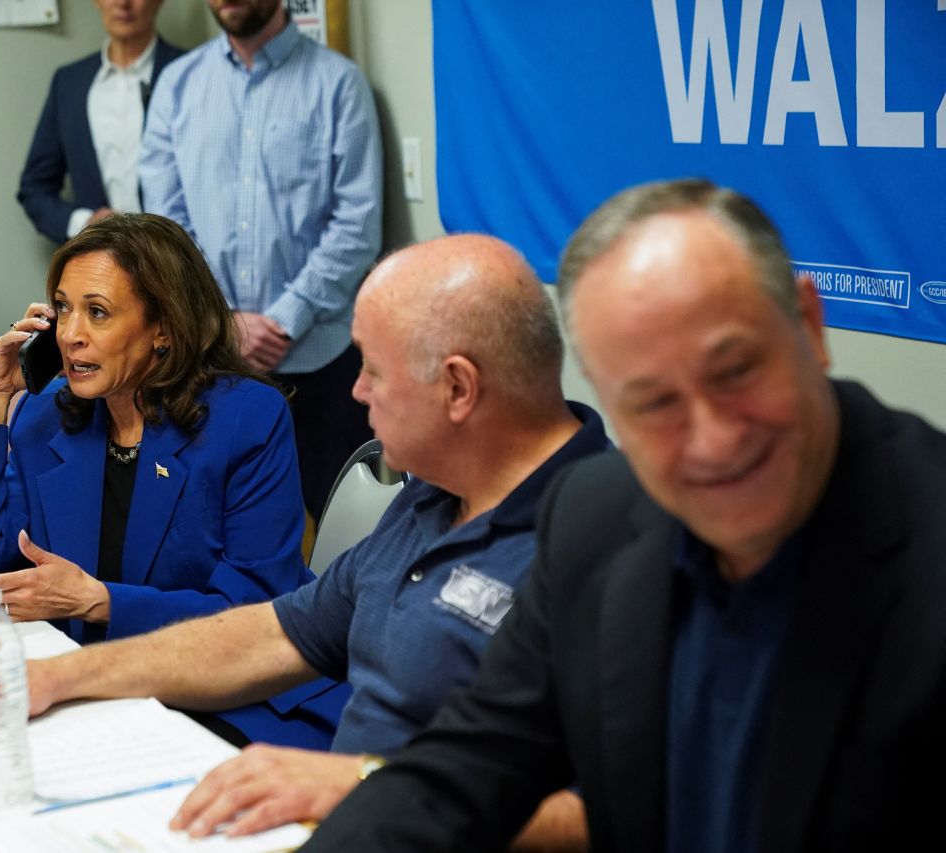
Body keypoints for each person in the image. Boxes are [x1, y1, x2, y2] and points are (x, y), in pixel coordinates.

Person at [304, 179, 946, 852]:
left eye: (736, 371)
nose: (713, 440)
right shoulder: (594, 517)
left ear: (808, 326)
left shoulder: (923, 540)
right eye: (653, 404)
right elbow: (471, 764)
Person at [0, 234, 608, 849]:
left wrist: (363, 783)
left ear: (458, 387)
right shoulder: (433, 495)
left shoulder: (606, 538)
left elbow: (632, 807)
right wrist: (56, 676)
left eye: (374, 370)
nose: (355, 391)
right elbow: (275, 633)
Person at [0, 212, 342, 748]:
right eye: (62, 309)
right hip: (104, 689)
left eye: (97, 313)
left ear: (164, 330)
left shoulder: (246, 419)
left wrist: (99, 600)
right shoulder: (46, 418)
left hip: (237, 701)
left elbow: (255, 613)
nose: (70, 335)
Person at [139, 0, 382, 522]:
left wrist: (283, 321)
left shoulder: (338, 84)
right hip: (208, 364)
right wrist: (220, 320)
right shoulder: (177, 86)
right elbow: (165, 227)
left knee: (346, 536)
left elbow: (357, 225)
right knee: (215, 534)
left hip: (320, 362)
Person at [17, 0, 184, 243]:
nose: (123, 3)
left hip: (179, 262)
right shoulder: (69, 83)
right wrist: (84, 223)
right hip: (98, 264)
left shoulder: (191, 73)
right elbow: (35, 189)